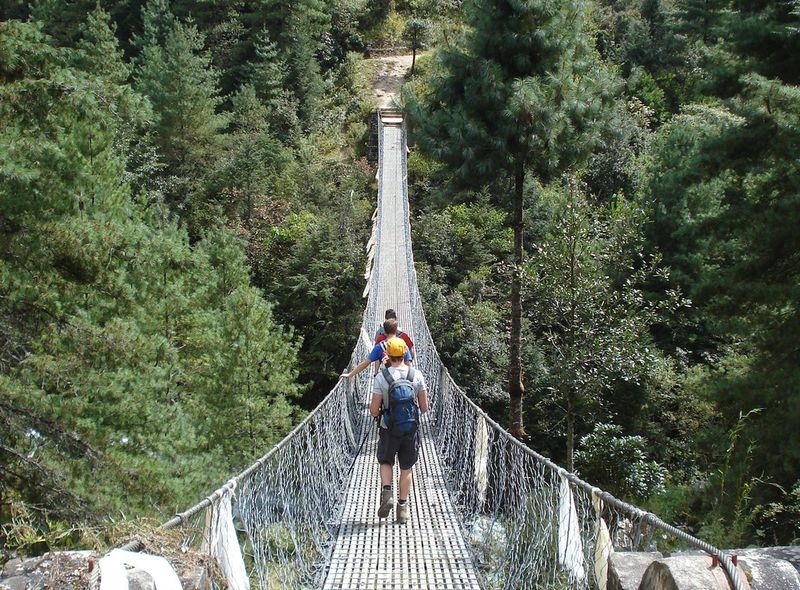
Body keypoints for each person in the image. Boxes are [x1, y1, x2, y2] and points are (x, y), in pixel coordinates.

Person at [370, 337, 428, 523]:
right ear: (404, 354)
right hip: (410, 429)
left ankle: (387, 493)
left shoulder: (382, 377)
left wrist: (379, 412)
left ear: (388, 355)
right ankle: (402, 508)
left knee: (386, 462)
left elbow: (373, 409)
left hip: (389, 429)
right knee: (406, 468)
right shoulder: (416, 375)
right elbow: (424, 407)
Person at [340, 318, 411, 379]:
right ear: (396, 330)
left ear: (384, 331)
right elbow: (408, 364)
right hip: (402, 378)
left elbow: (365, 363)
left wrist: (350, 374)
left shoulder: (379, 346)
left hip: (387, 379)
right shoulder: (402, 345)